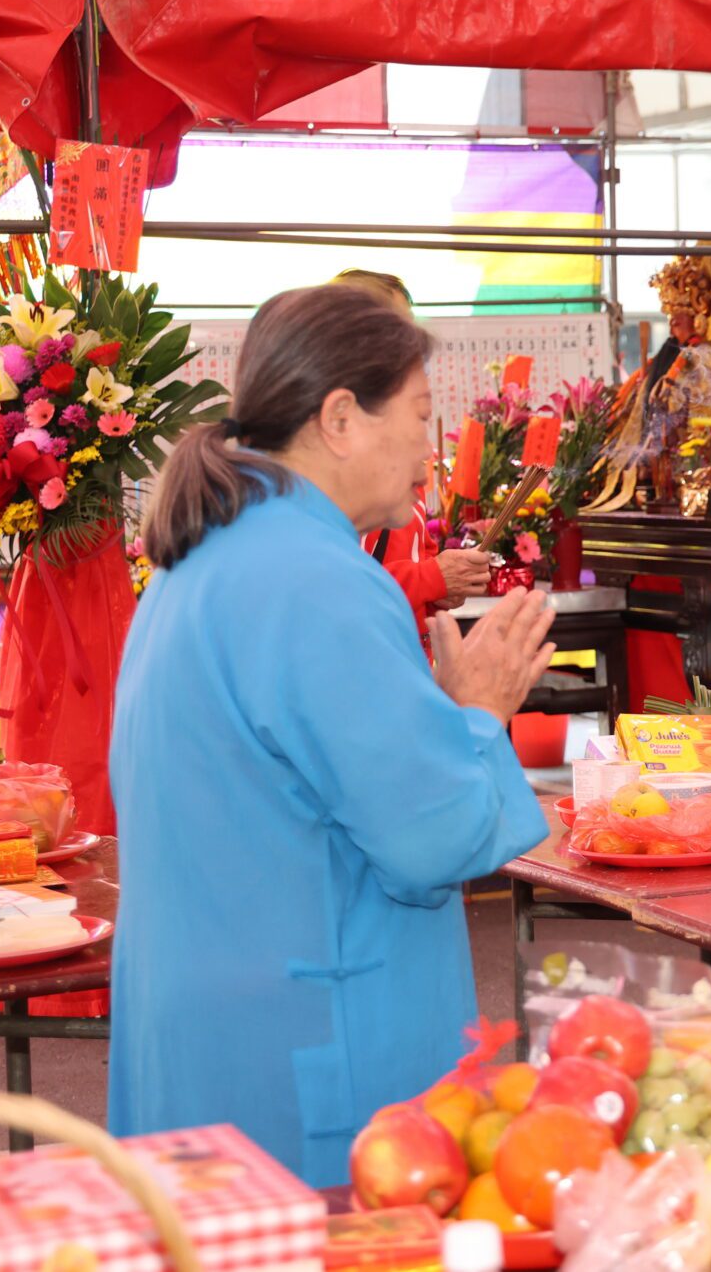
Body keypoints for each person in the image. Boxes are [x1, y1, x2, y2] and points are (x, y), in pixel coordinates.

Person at [109, 284, 555, 1185]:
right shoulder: (318, 580)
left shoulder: (207, 559)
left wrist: (431, 711)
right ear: (342, 417)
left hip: (205, 1033)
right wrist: (477, 714)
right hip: (313, 1053)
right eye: (423, 415)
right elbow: (433, 837)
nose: (432, 452)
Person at [330, 269, 488, 625]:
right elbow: (339, 588)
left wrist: (442, 584)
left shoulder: (383, 450)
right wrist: (431, 578)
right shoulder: (340, 459)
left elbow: (408, 565)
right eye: (396, 329)